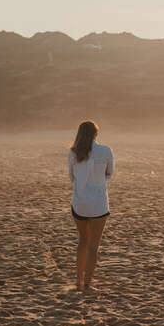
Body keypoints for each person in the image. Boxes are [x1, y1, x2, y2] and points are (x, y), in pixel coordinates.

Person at [67, 121, 115, 291]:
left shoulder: (73, 152)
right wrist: (97, 181)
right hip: (98, 204)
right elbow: (110, 173)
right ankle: (87, 284)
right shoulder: (106, 150)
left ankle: (78, 281)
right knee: (93, 246)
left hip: (80, 203)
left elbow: (71, 177)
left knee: (83, 240)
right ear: (96, 134)